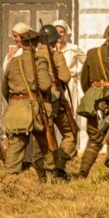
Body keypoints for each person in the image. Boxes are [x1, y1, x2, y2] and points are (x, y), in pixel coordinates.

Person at [1, 27, 53, 178]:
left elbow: (4, 89)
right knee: (46, 145)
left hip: (16, 109)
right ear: (36, 44)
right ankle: (51, 178)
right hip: (36, 109)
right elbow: (45, 85)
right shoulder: (39, 61)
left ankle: (9, 182)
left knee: (15, 147)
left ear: (21, 43)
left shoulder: (12, 62)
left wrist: (16, 102)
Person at [78, 22, 109, 177]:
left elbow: (84, 80)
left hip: (94, 97)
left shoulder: (91, 53)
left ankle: (83, 171)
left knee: (94, 139)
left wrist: (92, 95)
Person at [35, 24, 75, 180]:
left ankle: (44, 171)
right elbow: (65, 76)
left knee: (45, 136)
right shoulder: (56, 55)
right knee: (70, 133)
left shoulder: (35, 55)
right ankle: (58, 166)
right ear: (53, 40)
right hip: (55, 99)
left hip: (38, 101)